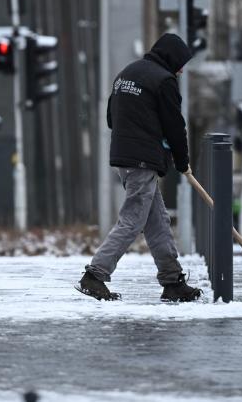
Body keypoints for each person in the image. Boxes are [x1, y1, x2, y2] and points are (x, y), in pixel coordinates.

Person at [77, 33, 202, 302]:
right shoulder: (164, 81)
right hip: (142, 159)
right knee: (133, 219)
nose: (181, 70)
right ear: (171, 58)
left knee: (157, 221)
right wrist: (182, 161)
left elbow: (111, 118)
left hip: (124, 156)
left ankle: (172, 281)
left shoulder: (127, 73)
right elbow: (175, 126)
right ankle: (95, 275)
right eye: (180, 64)